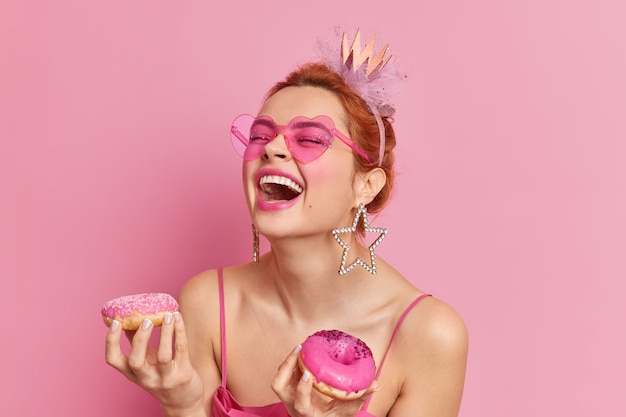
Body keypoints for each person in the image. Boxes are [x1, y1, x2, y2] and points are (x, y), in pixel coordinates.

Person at [105, 27, 468, 417]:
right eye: (260, 136)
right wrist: (184, 404)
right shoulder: (208, 304)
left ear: (366, 185)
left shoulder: (428, 336)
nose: (272, 148)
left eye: (310, 139)